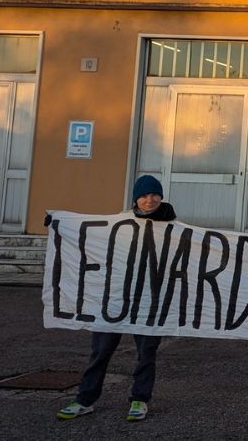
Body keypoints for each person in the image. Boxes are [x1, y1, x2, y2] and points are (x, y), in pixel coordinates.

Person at [57, 174, 178, 422]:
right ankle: (85, 399)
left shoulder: (176, 227)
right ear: (136, 198)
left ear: (161, 197)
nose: (149, 199)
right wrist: (59, 226)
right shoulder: (120, 223)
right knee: (100, 351)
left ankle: (139, 399)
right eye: (143, 195)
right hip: (115, 298)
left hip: (150, 301)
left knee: (146, 353)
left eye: (154, 194)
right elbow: (91, 240)